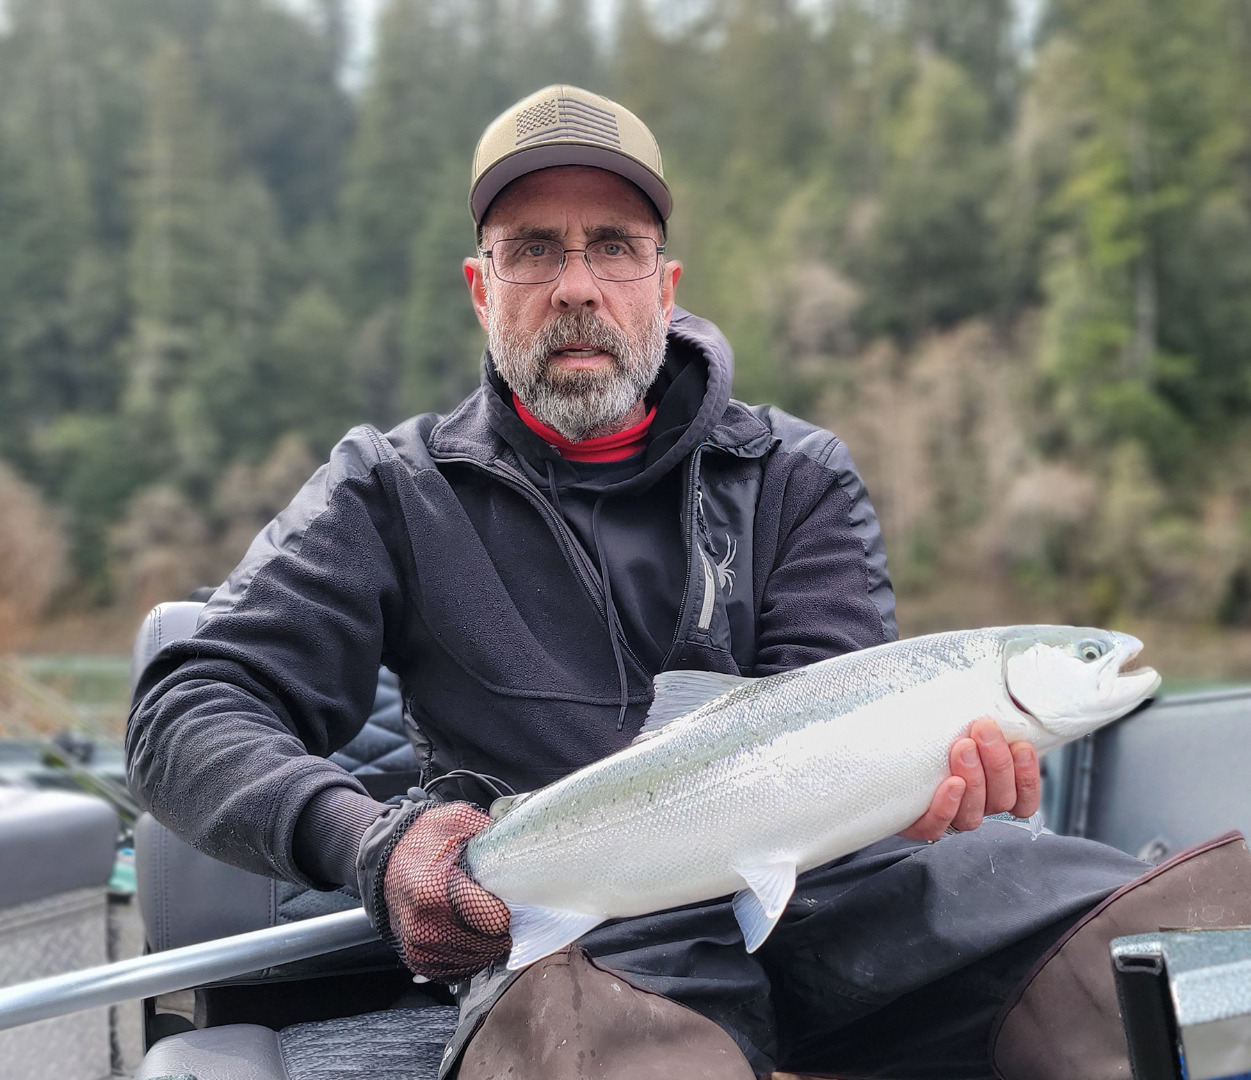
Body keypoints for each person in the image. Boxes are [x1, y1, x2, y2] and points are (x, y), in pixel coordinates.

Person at [128, 86, 1251, 1080]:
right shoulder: (388, 490)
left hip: (853, 898)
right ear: (482, 287)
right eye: (533, 249)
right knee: (608, 1051)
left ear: (663, 284)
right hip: (586, 931)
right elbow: (184, 709)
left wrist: (934, 793)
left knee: (1201, 932)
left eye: (612, 245)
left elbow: (838, 732)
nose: (577, 286)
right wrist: (370, 845)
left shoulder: (797, 473)